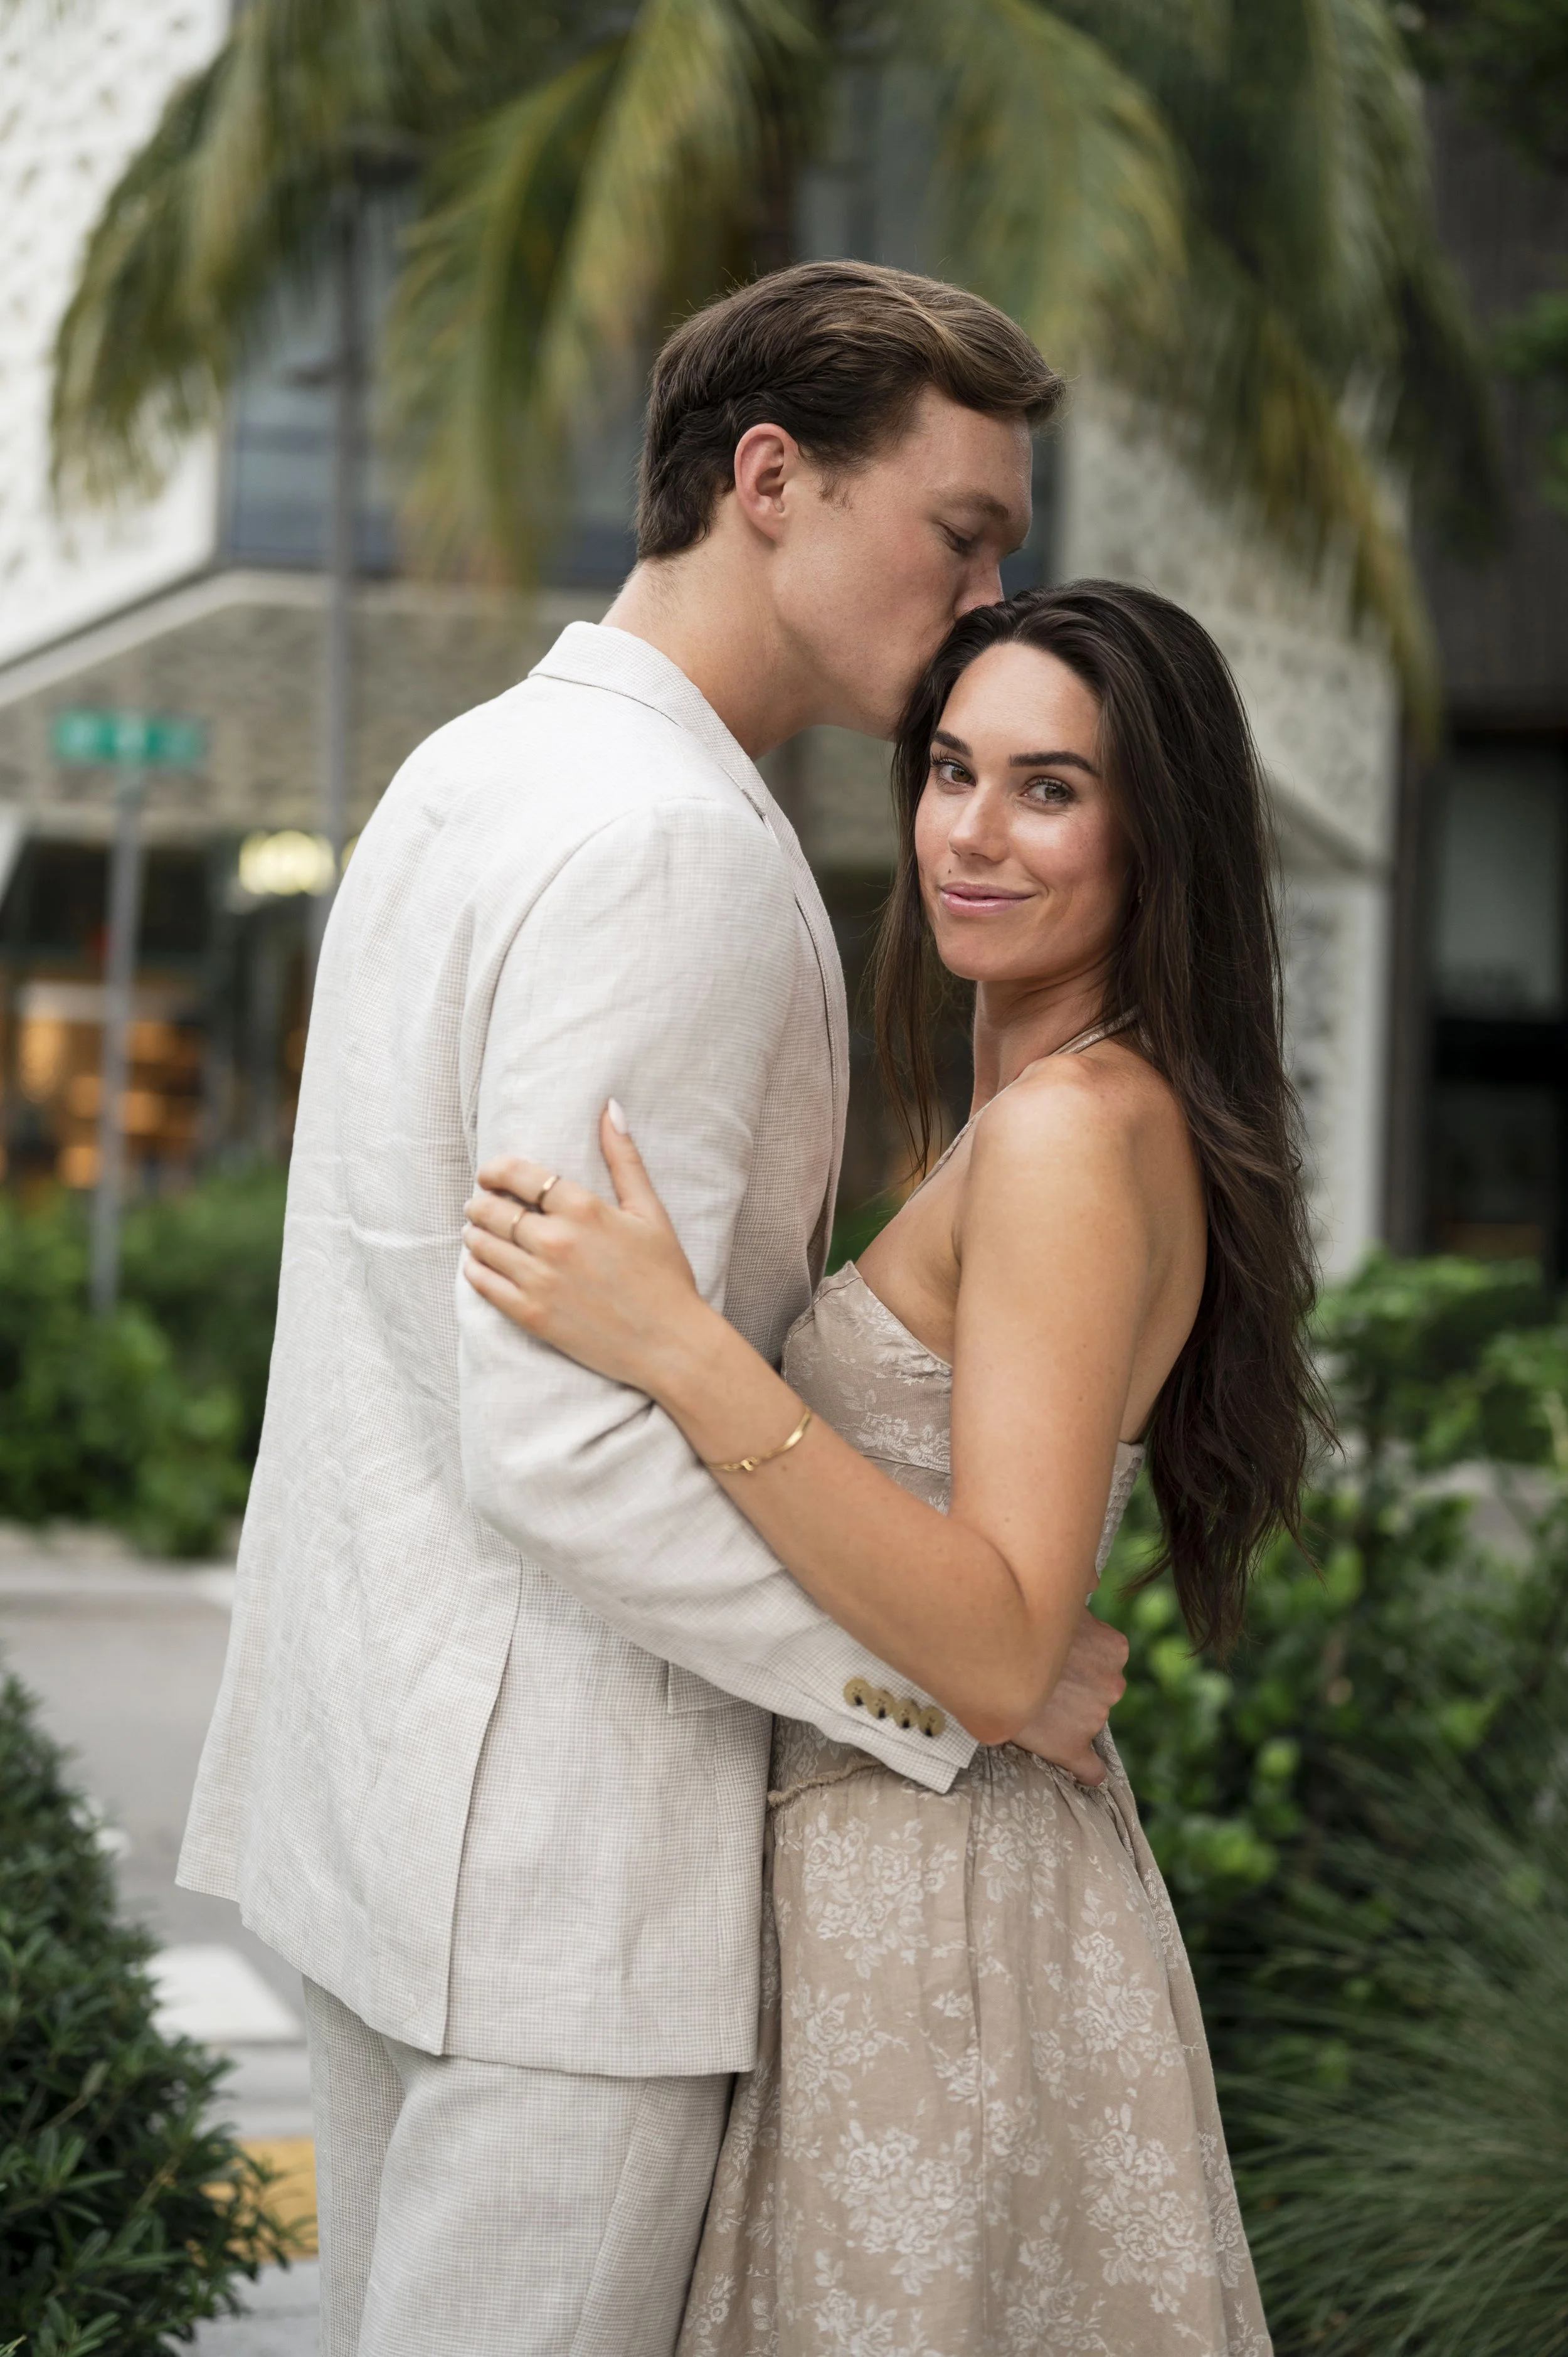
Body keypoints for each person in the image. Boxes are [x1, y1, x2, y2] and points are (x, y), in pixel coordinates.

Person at [177, 262, 1132, 2357]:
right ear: (770, 478)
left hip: (381, 1807)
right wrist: (949, 1697)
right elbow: (568, 1440)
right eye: (962, 531)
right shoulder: (672, 850)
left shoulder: (470, 765)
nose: (986, 597)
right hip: (553, 1882)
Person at [461, 579, 1327, 2355]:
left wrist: (684, 1352)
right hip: (932, 1881)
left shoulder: (1074, 1137)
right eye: (949, 770)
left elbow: (1005, 1644)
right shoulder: (1066, 1111)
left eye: (1048, 787)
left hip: (934, 1910)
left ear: (1155, 833)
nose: (972, 834)